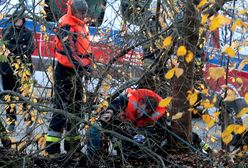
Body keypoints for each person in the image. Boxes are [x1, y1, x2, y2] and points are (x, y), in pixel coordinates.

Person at [88, 88, 213, 157]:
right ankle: (94, 157)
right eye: (139, 111)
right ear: (140, 102)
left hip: (143, 134)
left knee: (171, 132)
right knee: (96, 127)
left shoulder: (158, 116)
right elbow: (113, 107)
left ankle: (207, 148)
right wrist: (107, 115)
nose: (139, 114)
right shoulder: (128, 99)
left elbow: (163, 132)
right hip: (124, 127)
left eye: (144, 113)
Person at [45, 0, 92, 156]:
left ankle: (72, 147)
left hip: (77, 72)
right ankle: (52, 149)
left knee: (76, 108)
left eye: (85, 12)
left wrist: (89, 65)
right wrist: (84, 67)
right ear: (74, 11)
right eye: (82, 13)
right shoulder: (66, 25)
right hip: (65, 71)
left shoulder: (82, 24)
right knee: (62, 108)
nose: (84, 15)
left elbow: (86, 48)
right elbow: (71, 53)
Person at [0, 9, 34, 134]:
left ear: (23, 20)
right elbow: (3, 48)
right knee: (9, 98)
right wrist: (20, 47)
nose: (18, 21)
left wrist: (13, 48)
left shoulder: (28, 33)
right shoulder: (7, 31)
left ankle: (29, 124)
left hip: (23, 70)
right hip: (7, 70)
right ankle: (11, 123)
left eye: (20, 19)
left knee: (26, 98)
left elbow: (29, 49)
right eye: (16, 19)